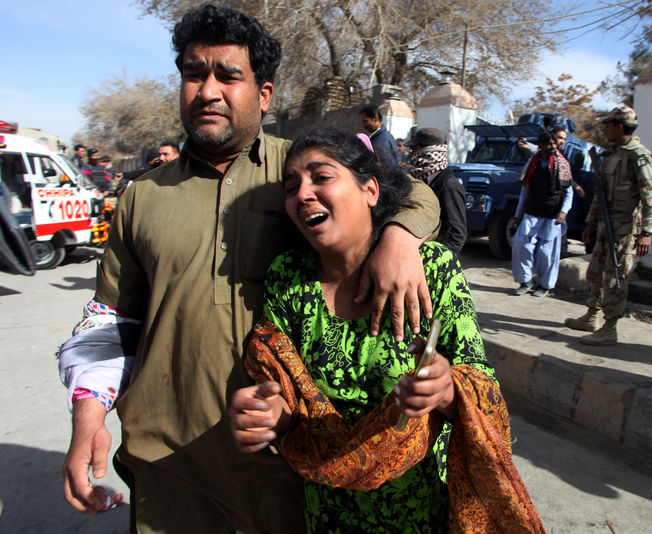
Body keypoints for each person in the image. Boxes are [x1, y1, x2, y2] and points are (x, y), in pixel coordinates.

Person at [58, 6, 440, 533]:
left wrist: (398, 237)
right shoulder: (141, 196)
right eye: (194, 75)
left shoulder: (299, 171)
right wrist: (88, 420)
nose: (208, 90)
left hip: (286, 458)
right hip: (169, 459)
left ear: (263, 94)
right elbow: (109, 320)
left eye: (228, 76)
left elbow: (414, 191)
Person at [229, 128, 544, 533]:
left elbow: (484, 389)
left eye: (321, 177)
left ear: (371, 190)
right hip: (328, 514)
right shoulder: (287, 278)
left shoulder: (432, 269)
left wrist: (446, 389)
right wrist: (273, 414)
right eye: (292, 186)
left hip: (425, 511)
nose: (303, 194)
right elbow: (289, 396)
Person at [565, 105, 652, 345]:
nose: (604, 129)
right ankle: (592, 315)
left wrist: (646, 232)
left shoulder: (638, 155)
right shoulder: (611, 155)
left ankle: (610, 328)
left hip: (625, 229)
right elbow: (601, 193)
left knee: (615, 278)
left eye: (608, 125)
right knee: (595, 272)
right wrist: (589, 223)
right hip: (605, 226)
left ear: (619, 126)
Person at [511, 130, 573, 297]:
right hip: (532, 212)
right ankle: (525, 281)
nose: (553, 146)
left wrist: (563, 211)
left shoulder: (562, 164)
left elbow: (568, 192)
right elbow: (525, 191)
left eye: (554, 143)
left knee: (546, 252)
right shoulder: (533, 163)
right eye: (549, 144)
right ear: (541, 146)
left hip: (552, 215)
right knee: (522, 245)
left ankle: (545, 285)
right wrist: (518, 214)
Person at [407, 127, 467, 254]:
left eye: (414, 149)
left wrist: (435, 260)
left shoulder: (449, 186)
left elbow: (457, 235)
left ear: (428, 151)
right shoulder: (420, 179)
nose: (411, 154)